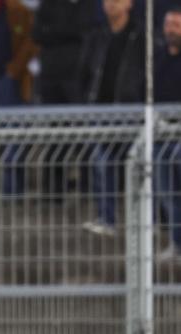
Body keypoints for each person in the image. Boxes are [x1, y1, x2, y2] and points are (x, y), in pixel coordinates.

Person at [79, 0, 144, 236]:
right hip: (102, 111)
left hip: (130, 112)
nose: (111, 4)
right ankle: (106, 218)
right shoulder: (98, 35)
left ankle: (150, 221)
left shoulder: (139, 35)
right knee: (101, 162)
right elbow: (86, 71)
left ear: (130, 4)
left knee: (140, 165)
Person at [32, 0, 101, 104]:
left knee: (77, 116)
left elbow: (83, 30)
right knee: (48, 116)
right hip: (48, 71)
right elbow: (36, 34)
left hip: (75, 73)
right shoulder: (47, 3)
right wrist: (65, 31)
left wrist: (51, 31)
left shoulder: (86, 3)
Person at [154, 6, 181, 259]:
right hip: (161, 134)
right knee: (166, 192)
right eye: (168, 24)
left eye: (176, 25)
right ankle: (176, 242)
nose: (171, 30)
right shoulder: (159, 58)